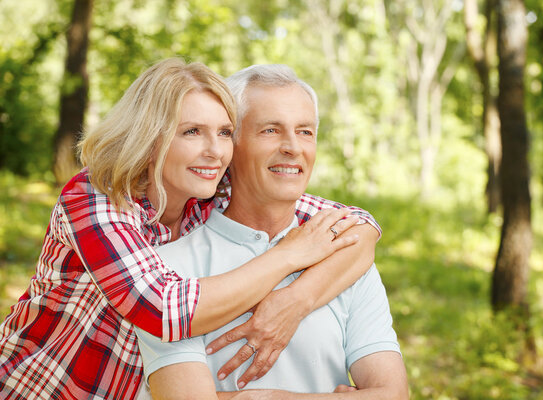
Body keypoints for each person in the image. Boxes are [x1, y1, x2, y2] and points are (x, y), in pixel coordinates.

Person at [0, 58, 382, 399]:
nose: (215, 151)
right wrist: (287, 256)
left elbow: (360, 226)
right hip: (43, 386)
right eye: (192, 132)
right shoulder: (96, 197)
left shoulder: (211, 189)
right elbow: (162, 311)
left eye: (223, 132)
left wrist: (296, 300)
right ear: (151, 139)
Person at [135, 64, 409, 399]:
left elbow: (391, 394)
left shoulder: (345, 257)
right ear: (230, 146)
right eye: (270, 130)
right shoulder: (168, 268)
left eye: (305, 132)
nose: (293, 147)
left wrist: (265, 398)